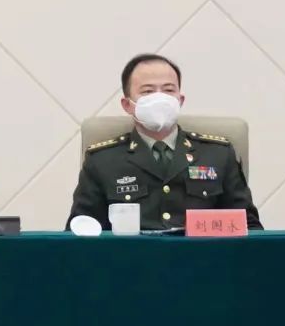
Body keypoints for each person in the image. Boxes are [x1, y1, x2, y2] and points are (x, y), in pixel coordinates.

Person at [67, 53, 262, 232]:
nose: (159, 98)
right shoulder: (102, 161)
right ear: (127, 105)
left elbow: (250, 228)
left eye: (168, 90)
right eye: (148, 91)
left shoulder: (218, 154)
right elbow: (80, 231)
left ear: (180, 100)